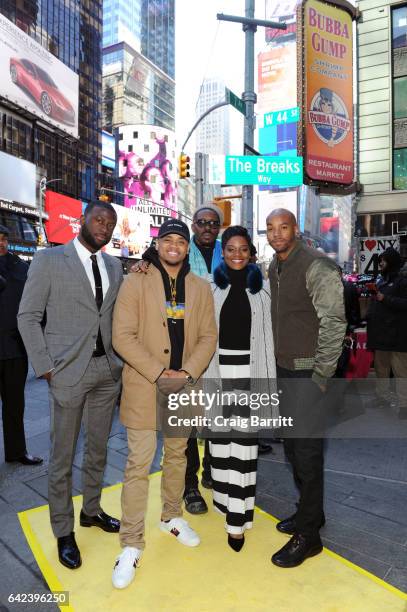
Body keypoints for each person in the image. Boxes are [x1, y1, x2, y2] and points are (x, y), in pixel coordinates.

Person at [111, 218, 217, 589]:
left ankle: (171, 516)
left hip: (185, 387)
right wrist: (159, 372)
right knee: (139, 463)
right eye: (167, 239)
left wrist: (186, 373)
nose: (174, 245)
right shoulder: (135, 280)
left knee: (177, 455)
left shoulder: (200, 288)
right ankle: (130, 542)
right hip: (144, 384)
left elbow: (208, 337)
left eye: (180, 241)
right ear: (156, 245)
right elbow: (121, 337)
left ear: (187, 248)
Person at [18, 201, 123, 570]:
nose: (104, 227)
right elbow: (27, 316)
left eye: (110, 223)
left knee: (98, 451)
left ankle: (91, 511)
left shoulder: (114, 266)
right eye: (98, 219)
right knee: (62, 458)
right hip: (67, 374)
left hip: (106, 373)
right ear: (82, 220)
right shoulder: (49, 260)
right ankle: (63, 530)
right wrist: (46, 367)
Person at [267, 209, 346, 568]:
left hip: (307, 377)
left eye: (283, 227)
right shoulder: (275, 266)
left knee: (308, 455)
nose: (276, 233)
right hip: (285, 373)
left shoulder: (316, 264)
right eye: (270, 228)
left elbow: (334, 322)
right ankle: (310, 513)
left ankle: (309, 535)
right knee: (295, 452)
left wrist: (321, 377)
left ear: (295, 230)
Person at [204, 226, 276, 552]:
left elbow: (269, 339)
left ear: (251, 252)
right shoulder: (208, 288)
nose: (236, 254)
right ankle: (224, 503)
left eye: (243, 249)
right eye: (230, 248)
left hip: (250, 372)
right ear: (223, 251)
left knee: (244, 447)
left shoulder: (263, 290)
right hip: (217, 373)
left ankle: (237, 522)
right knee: (219, 446)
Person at [0, 225, 42, 466]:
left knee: (15, 406)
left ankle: (17, 452)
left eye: (4, 239)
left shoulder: (21, 268)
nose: (2, 243)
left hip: (15, 348)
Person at [367, 248, 407, 419]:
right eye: (380, 260)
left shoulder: (402, 281)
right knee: (381, 368)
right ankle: (381, 396)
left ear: (392, 261)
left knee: (400, 371)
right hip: (381, 334)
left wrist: (385, 298)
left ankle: (404, 405)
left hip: (398, 336)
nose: (381, 263)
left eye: (384, 260)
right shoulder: (382, 279)